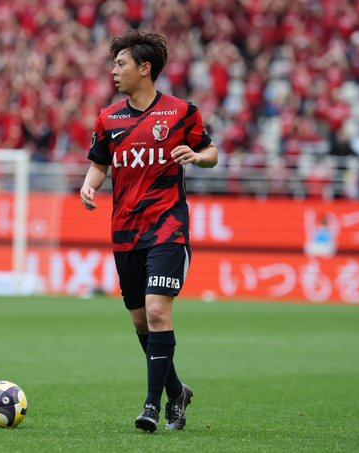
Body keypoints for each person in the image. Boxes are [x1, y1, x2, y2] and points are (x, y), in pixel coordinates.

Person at [80, 29, 219, 433]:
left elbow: (211, 151)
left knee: (158, 312)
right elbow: (100, 164)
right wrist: (89, 186)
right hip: (126, 231)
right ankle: (178, 392)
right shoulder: (109, 118)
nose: (113, 70)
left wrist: (198, 157)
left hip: (167, 227)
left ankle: (152, 406)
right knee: (142, 322)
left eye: (120, 63)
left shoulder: (181, 112)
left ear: (145, 68)